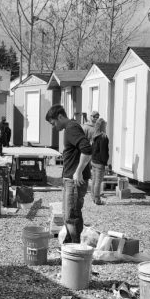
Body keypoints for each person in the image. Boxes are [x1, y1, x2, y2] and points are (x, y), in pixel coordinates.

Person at [45, 104, 92, 243]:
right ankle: (69, 245)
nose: (54, 127)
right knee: (68, 215)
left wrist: (78, 172)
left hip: (74, 180)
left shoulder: (71, 128)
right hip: (70, 179)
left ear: (60, 116)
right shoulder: (70, 128)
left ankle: (75, 249)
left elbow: (87, 149)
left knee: (72, 216)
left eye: (53, 123)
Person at [90, 118, 110, 205]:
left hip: (93, 161)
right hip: (99, 163)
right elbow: (103, 152)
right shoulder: (103, 137)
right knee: (98, 181)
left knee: (94, 180)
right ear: (102, 126)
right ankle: (97, 199)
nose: (106, 127)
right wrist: (105, 162)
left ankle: (93, 197)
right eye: (105, 125)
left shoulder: (95, 136)